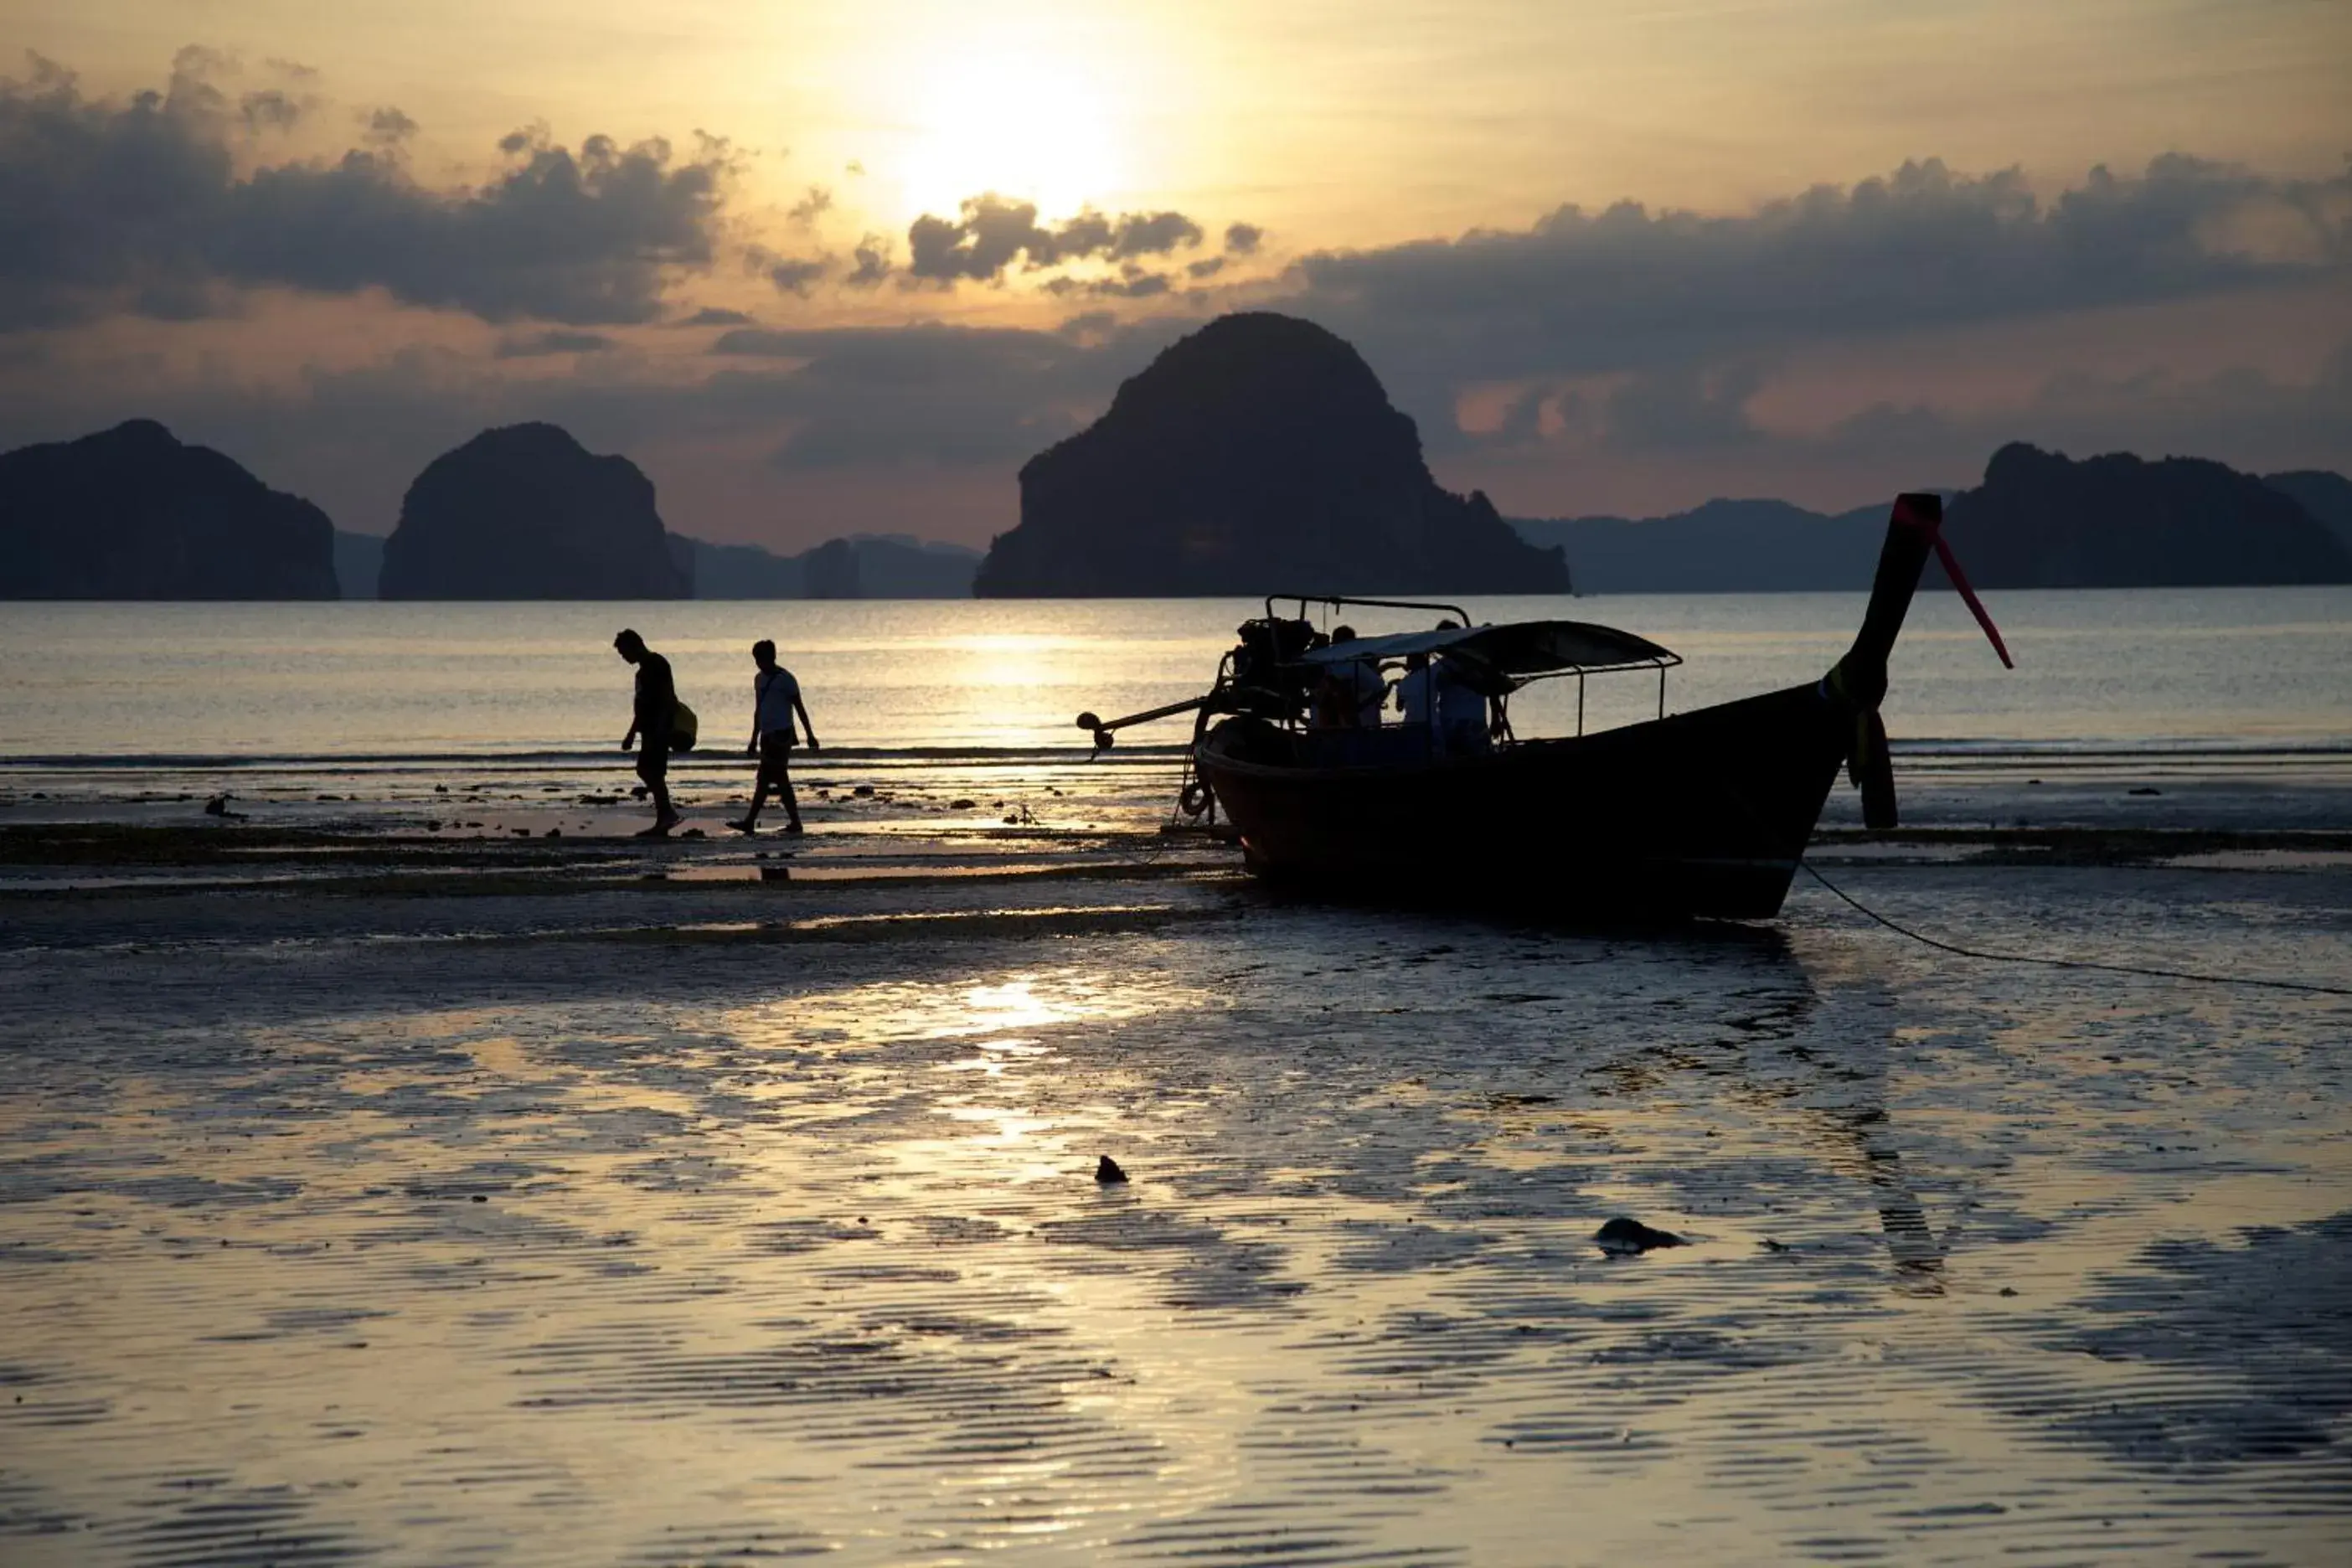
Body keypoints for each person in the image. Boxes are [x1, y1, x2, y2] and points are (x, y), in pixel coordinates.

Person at [731, 639, 819, 834]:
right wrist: (753, 738)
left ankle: (758, 821)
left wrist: (810, 735)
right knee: (773, 779)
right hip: (766, 735)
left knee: (772, 778)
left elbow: (799, 707)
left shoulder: (786, 679)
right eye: (756, 659)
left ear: (771, 657)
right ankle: (774, 822)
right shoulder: (758, 679)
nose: (757, 663)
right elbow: (759, 709)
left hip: (781, 735)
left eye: (760, 658)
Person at [614, 628, 680, 837]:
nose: (624, 658)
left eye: (625, 653)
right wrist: (632, 733)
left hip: (658, 727)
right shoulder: (644, 670)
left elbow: (667, 698)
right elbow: (642, 706)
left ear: (634, 646)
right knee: (650, 770)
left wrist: (662, 727)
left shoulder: (655, 665)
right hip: (650, 728)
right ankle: (665, 816)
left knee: (649, 770)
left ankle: (667, 814)